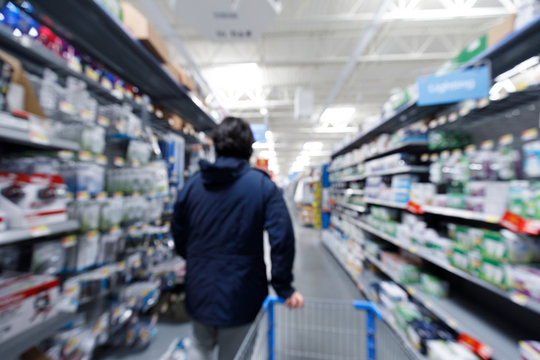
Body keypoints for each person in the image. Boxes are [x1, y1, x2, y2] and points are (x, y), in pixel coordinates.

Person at [172, 116, 303, 360]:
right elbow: (282, 237)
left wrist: (194, 258)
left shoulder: (192, 185)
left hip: (199, 289)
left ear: (217, 145)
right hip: (242, 294)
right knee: (235, 355)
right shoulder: (262, 187)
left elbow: (178, 229)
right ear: (249, 149)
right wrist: (283, 285)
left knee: (199, 349)